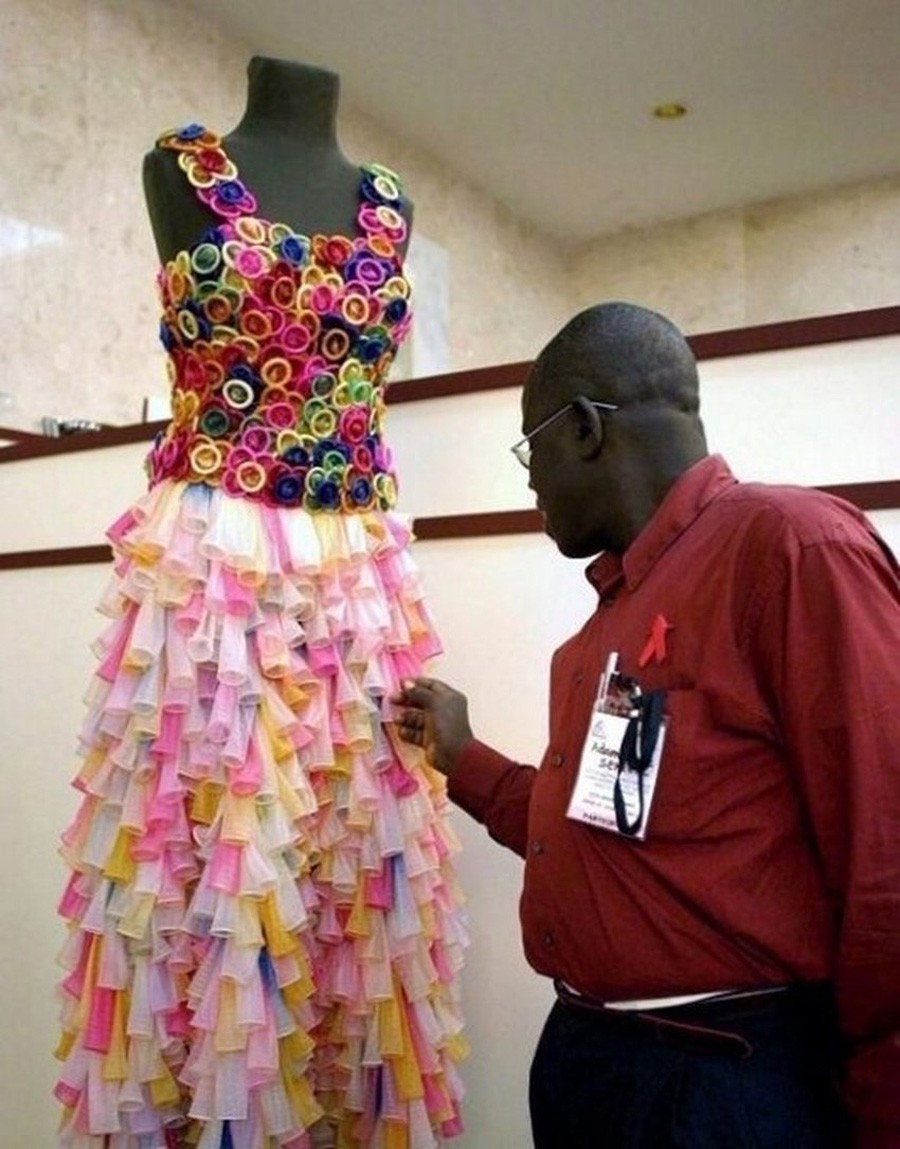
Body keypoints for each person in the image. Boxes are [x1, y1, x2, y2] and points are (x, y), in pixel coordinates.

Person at [54, 56, 468, 1149]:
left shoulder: (391, 205)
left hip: (356, 573)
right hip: (213, 563)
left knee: (351, 878)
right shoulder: (180, 169)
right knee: (211, 860)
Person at [392, 301, 900, 1149]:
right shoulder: (608, 625)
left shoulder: (791, 550)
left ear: (585, 428)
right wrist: (463, 755)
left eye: (530, 449)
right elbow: (606, 832)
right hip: (597, 1064)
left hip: (719, 1079)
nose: (530, 481)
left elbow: (884, 859)